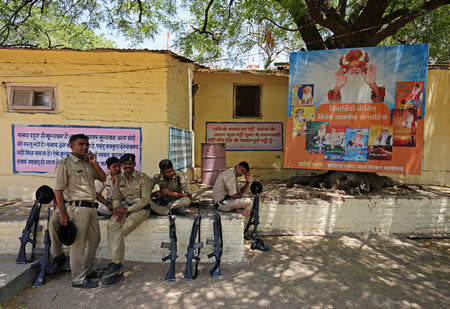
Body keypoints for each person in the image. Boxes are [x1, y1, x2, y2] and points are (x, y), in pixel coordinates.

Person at [54, 134, 106, 289]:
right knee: (78, 244)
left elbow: (103, 178)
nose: (85, 147)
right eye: (81, 144)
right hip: (77, 208)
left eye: (87, 144)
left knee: (95, 239)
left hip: (91, 208)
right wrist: (63, 214)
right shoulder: (65, 164)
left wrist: (95, 164)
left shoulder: (88, 163)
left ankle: (87, 271)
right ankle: (78, 279)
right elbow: (58, 190)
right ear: (71, 146)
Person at [102, 153, 151, 286]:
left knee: (120, 232)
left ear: (134, 164)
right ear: (122, 166)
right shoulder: (119, 180)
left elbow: (145, 200)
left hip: (141, 210)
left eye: (131, 163)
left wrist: (127, 211)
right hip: (124, 208)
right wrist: (117, 209)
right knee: (112, 225)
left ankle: (116, 264)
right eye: (125, 164)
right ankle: (115, 265)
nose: (128, 166)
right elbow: (117, 198)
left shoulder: (143, 178)